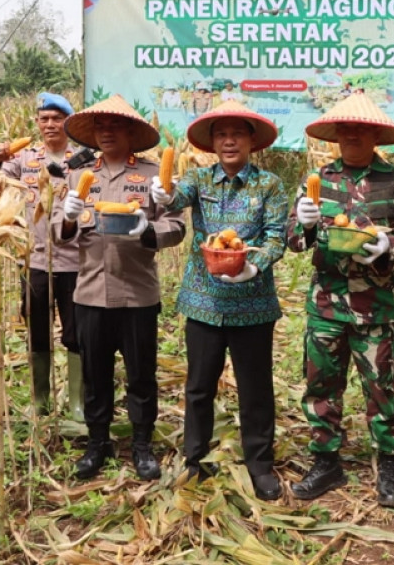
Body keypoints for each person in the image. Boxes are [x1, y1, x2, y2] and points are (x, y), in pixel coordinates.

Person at [286, 93, 394, 508]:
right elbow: (294, 241)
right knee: (321, 384)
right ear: (336, 134)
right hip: (327, 303)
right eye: (345, 128)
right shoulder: (317, 179)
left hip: (377, 304)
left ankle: (389, 463)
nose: (352, 134)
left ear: (374, 134)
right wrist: (303, 224)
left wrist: (391, 243)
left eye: (361, 128)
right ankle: (326, 460)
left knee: (381, 387)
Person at [149, 101, 288, 500]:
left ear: (251, 141)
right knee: (198, 386)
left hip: (253, 304)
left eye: (237, 133)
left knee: (255, 388)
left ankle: (259, 465)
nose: (229, 141)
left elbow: (277, 237)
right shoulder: (199, 179)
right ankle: (195, 460)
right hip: (204, 302)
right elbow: (175, 199)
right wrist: (164, 192)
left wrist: (254, 266)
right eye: (221, 134)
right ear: (212, 142)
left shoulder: (270, 185)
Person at [54, 95, 185, 481]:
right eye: (100, 127)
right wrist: (68, 218)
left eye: (115, 126)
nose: (106, 133)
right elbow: (61, 237)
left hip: (137, 293)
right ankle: (98, 443)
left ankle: (142, 445)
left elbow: (175, 227)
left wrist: (148, 232)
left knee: (141, 374)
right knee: (95, 374)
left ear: (130, 132)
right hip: (90, 293)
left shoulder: (150, 176)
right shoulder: (78, 177)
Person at [0, 92, 83, 418]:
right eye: (43, 119)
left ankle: (77, 404)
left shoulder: (84, 158)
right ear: (36, 122)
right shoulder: (24, 160)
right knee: (37, 331)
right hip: (32, 260)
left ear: (67, 122)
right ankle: (40, 400)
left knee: (76, 332)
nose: (49, 125)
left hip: (75, 261)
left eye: (56, 119)